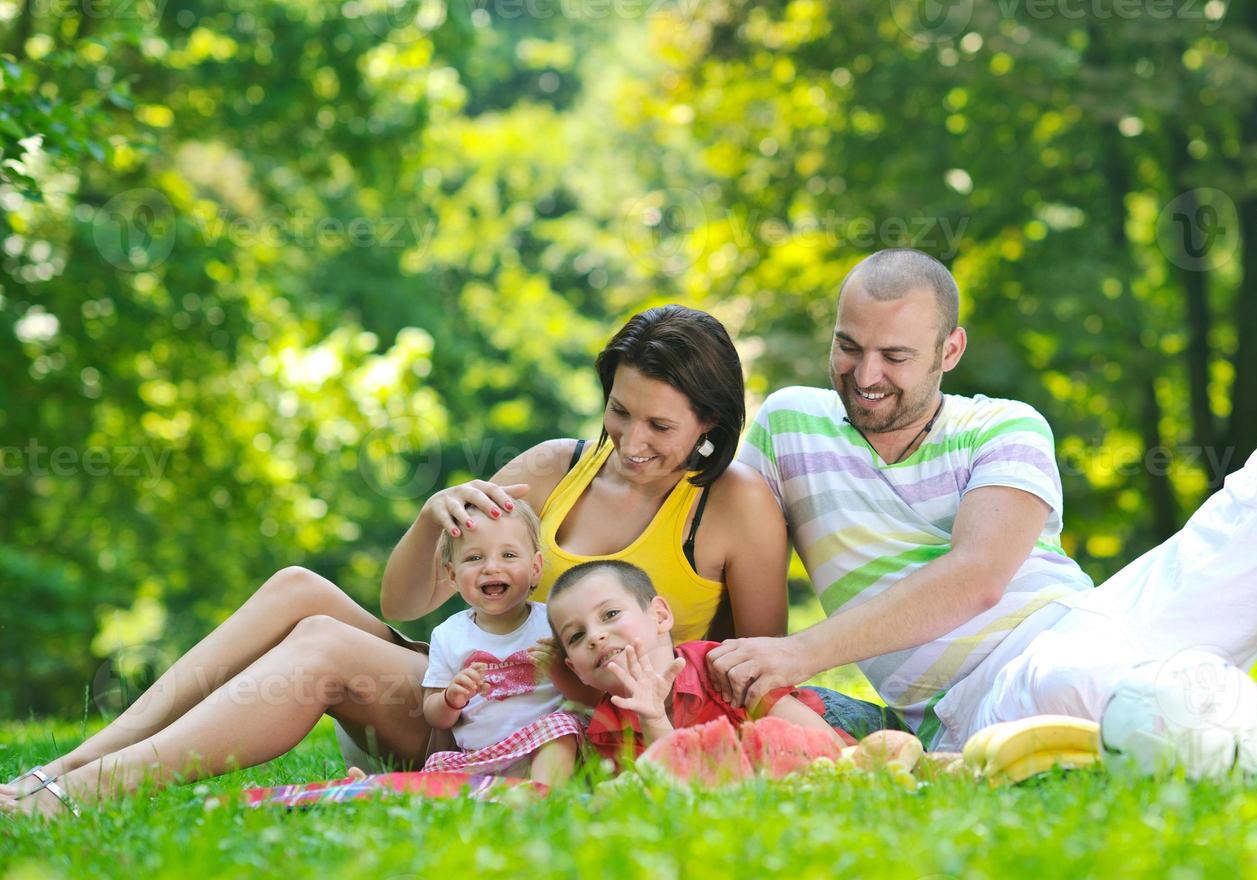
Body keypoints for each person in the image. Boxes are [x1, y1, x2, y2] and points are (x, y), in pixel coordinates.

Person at [3, 305, 790, 817]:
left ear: (711, 424)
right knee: (296, 588)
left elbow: (757, 666)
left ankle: (96, 789)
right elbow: (409, 604)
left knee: (319, 646)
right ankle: (75, 761)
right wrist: (428, 523)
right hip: (470, 698)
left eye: (660, 425)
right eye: (620, 410)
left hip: (561, 736)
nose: (633, 440)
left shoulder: (733, 505)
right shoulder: (559, 467)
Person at [706, 248, 1257, 769]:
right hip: (985, 695)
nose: (865, 375)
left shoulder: (1004, 426)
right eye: (848, 347)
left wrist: (802, 652)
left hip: (1097, 620)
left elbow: (977, 578)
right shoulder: (788, 424)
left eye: (895, 357)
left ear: (950, 350)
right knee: (1082, 674)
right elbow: (709, 525)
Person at [545, 560, 845, 764]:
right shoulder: (606, 733)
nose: (595, 636)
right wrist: (654, 720)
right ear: (576, 670)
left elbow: (828, 748)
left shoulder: (725, 667)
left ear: (659, 616)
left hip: (831, 717)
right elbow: (677, 788)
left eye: (610, 615)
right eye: (576, 636)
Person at [413, 504, 579, 786]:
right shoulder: (448, 634)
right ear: (452, 576)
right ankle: (381, 786)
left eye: (509, 555)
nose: (491, 567)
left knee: (561, 726)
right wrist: (451, 698)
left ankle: (544, 795)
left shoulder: (553, 622)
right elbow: (435, 716)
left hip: (548, 751)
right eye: (475, 557)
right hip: (480, 757)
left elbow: (588, 696)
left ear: (536, 568)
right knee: (437, 769)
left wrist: (559, 672)